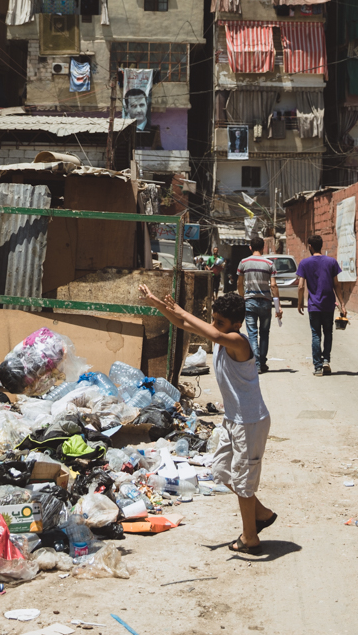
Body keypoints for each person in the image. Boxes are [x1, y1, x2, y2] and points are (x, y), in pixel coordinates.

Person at [138, 285, 276, 553]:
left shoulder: (238, 341)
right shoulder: (220, 335)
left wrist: (180, 309)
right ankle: (260, 513)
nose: (214, 326)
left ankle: (251, 537)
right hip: (233, 420)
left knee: (243, 481)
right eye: (213, 319)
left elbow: (206, 330)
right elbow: (183, 323)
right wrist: (158, 304)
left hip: (250, 422)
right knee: (223, 470)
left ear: (237, 324)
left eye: (221, 322)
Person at [296, 234, 348, 376]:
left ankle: (318, 367)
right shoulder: (331, 262)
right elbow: (337, 285)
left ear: (310, 247)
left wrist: (300, 303)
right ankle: (326, 361)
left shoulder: (304, 263)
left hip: (313, 306)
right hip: (328, 305)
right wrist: (342, 304)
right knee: (328, 332)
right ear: (322, 245)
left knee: (316, 334)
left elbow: (300, 286)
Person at [236, 236, 281, 373]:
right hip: (266, 302)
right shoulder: (269, 264)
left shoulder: (243, 262)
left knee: (252, 334)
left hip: (249, 301)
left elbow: (239, 283)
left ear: (250, 247)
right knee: (265, 333)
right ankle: (262, 362)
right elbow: (273, 285)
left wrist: (241, 298)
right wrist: (278, 307)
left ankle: (256, 365)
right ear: (263, 248)